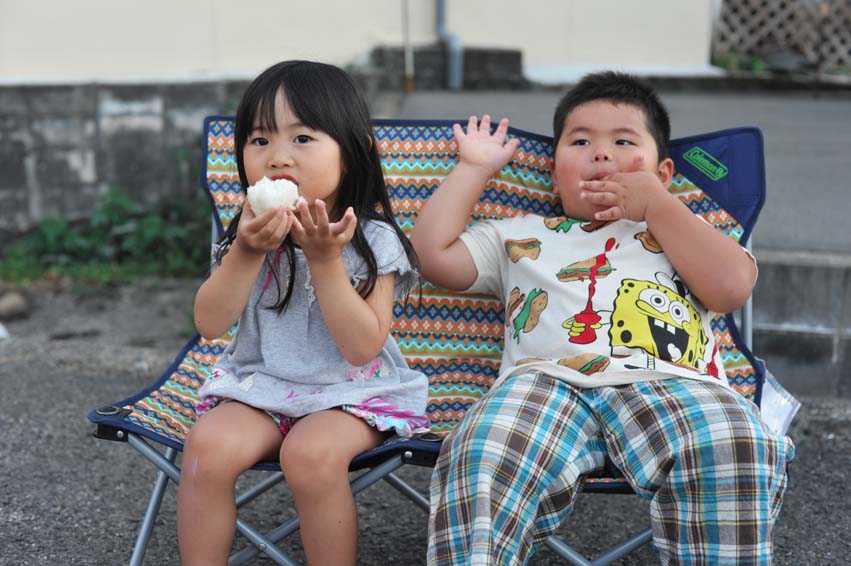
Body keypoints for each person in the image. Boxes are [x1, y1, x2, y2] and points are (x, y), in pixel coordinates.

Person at [411, 71, 793, 565]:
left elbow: (732, 287)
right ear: (553, 173)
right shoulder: (519, 235)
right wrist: (473, 168)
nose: (601, 153)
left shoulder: (680, 228)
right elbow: (430, 256)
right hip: (544, 383)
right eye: (581, 141)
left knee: (733, 443)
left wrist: (658, 206)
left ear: (663, 174)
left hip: (672, 380)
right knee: (482, 455)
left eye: (624, 141)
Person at [177, 60, 429, 566]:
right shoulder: (246, 234)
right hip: (262, 385)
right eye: (260, 140)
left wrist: (324, 259)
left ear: (351, 155)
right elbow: (209, 322)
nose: (277, 158)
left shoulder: (375, 242)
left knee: (310, 457)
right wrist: (245, 254)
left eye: (303, 138)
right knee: (206, 449)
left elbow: (362, 347)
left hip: (352, 392)